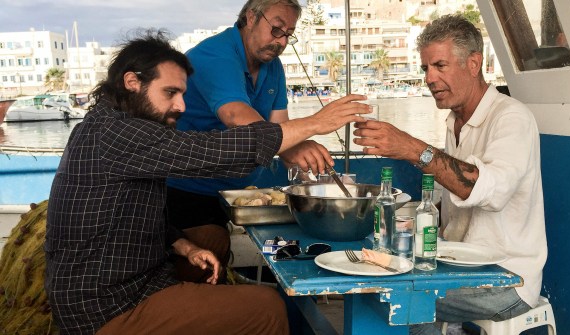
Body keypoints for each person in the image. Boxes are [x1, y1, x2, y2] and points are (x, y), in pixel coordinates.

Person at [44, 29, 368, 335]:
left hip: (134, 278)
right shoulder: (117, 133)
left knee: (211, 239)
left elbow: (132, 211)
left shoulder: (117, 124)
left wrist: (183, 245)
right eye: (170, 93)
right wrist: (315, 123)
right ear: (132, 82)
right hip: (109, 307)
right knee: (267, 308)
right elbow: (211, 151)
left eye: (182, 94)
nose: (181, 106)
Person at [353, 15, 547, 334]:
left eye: (440, 66)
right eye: (426, 68)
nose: (429, 78)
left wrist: (414, 148)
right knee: (378, 273)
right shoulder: (454, 124)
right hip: (457, 266)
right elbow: (447, 209)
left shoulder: (512, 118)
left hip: (505, 279)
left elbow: (487, 191)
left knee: (399, 297)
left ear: (473, 64)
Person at [166, 0, 344, 231]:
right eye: (276, 29)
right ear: (251, 17)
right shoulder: (214, 54)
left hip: (242, 190)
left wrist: (311, 185)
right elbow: (235, 114)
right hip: (190, 188)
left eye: (289, 34)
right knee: (210, 253)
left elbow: (281, 126)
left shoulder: (274, 66)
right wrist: (314, 125)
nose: (282, 41)